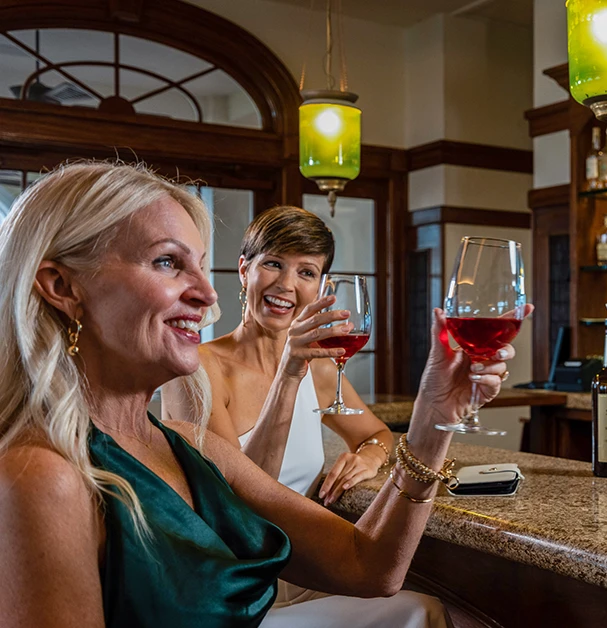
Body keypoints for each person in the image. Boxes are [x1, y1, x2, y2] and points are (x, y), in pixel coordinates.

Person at [0, 161, 526, 627]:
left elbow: (371, 567)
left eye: (201, 266)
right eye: (166, 262)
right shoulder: (41, 477)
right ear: (63, 287)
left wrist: (433, 418)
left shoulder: (188, 444)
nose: (206, 294)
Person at [164, 206, 391, 508]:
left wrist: (369, 458)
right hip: (234, 551)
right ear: (244, 270)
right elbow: (238, 503)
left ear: (320, 286)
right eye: (273, 264)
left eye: (306, 272)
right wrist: (289, 373)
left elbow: (377, 434)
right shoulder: (196, 369)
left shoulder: (319, 369)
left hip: (301, 542)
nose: (286, 285)